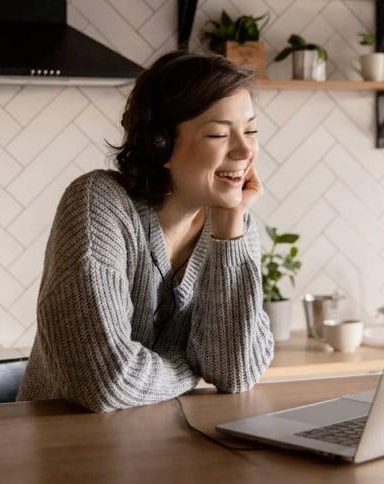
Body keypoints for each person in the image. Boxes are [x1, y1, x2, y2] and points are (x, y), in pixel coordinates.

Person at [16, 51, 275, 413]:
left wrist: (230, 228)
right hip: (61, 450)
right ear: (160, 146)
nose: (245, 150)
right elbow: (106, 381)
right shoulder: (98, 203)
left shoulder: (233, 226)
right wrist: (189, 367)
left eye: (251, 130)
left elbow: (235, 373)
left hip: (161, 448)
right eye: (218, 133)